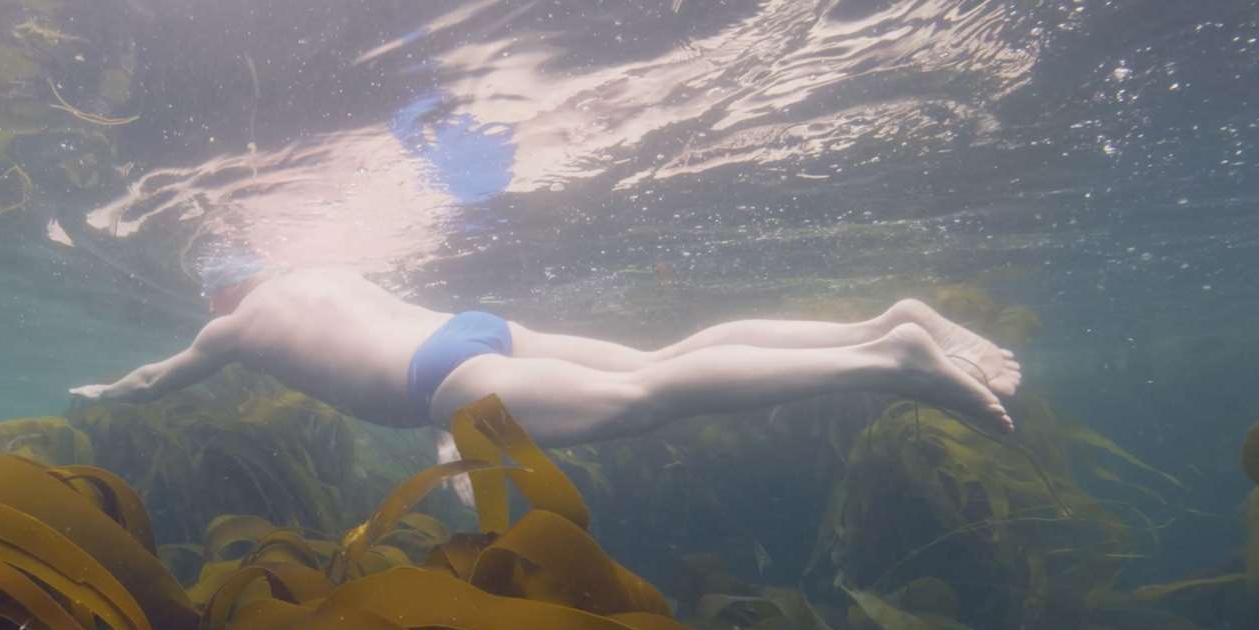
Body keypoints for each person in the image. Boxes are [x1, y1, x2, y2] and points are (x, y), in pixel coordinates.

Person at [70, 266, 1021, 449]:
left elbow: (157, 381)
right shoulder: (321, 269)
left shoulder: (231, 328)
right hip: (475, 331)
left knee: (650, 395)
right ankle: (873, 327)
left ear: (219, 294)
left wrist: (107, 392)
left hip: (441, 380)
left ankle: (891, 361)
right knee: (662, 354)